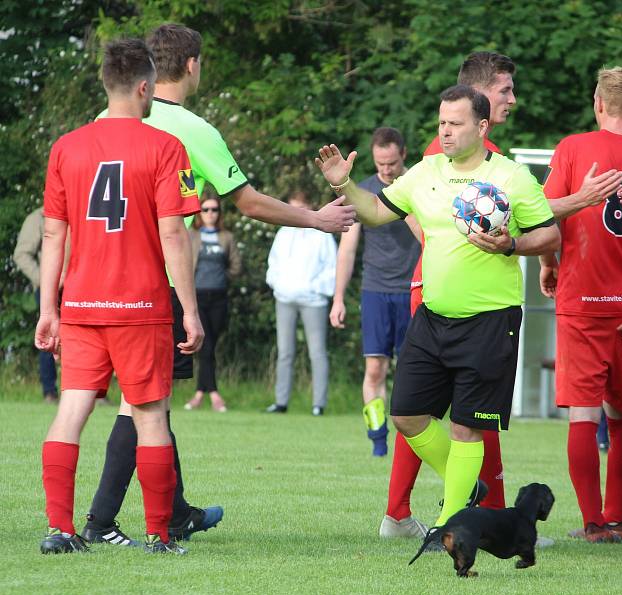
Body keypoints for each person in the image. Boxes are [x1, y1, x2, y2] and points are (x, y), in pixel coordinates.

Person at [81, 23, 355, 547]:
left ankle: (175, 511)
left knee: (143, 401)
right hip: (154, 280)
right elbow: (246, 201)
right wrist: (316, 220)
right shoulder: (194, 130)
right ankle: (100, 521)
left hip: (99, 274)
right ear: (192, 66)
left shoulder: (107, 116)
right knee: (143, 406)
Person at [315, 84, 560, 555]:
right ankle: (468, 488)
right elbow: (372, 212)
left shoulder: (511, 177)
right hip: (432, 315)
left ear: (482, 127)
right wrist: (341, 183)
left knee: (468, 427)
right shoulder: (425, 172)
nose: (445, 131)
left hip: (490, 319)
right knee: (405, 414)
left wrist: (511, 244)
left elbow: (549, 235)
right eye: (441, 123)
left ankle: (452, 525)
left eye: (456, 123)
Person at [37, 38, 202, 554]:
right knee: (150, 415)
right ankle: (158, 535)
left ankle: (60, 530)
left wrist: (48, 309)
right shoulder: (164, 147)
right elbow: (174, 234)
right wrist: (190, 311)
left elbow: (52, 235)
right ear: (145, 86)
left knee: (71, 410)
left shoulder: (66, 147)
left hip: (81, 304)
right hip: (142, 306)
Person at [382, 53, 518, 541]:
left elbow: (524, 218)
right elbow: (416, 216)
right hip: (442, 294)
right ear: (480, 94)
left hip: (454, 291)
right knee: (440, 413)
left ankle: (407, 511)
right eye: (504, 88)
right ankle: (467, 507)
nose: (512, 98)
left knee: (458, 415)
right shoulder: (448, 149)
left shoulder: (493, 157)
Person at [541, 66, 622, 544]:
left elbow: (546, 218)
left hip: (582, 299)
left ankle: (592, 523)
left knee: (584, 413)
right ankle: (619, 517)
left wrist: (549, 264)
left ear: (599, 104)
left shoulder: (572, 148)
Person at [327, 127, 420, 458]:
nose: (386, 170)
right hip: (375, 291)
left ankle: (414, 439)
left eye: (392, 163)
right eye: (381, 164)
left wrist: (402, 198)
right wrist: (338, 298)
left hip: (413, 290)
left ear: (403, 156)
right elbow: (347, 250)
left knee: (413, 371)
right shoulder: (363, 190)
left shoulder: (419, 186)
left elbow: (429, 238)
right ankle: (378, 440)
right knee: (375, 370)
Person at [266, 190, 337, 415]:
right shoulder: (283, 232)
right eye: (293, 207)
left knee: (317, 352)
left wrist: (314, 288)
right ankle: (281, 401)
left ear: (310, 206)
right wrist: (278, 285)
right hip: (285, 298)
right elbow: (273, 263)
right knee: (285, 351)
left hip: (313, 300)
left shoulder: (322, 234)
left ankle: (318, 404)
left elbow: (332, 267)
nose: (297, 212)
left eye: (301, 207)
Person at [184, 189, 241, 413]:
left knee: (211, 346)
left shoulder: (227, 237)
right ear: (199, 212)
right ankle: (213, 395)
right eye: (205, 209)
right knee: (205, 346)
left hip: (219, 297)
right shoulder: (191, 235)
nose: (210, 213)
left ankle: (199, 393)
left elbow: (236, 266)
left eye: (214, 209)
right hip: (197, 296)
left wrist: (222, 277)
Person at [14, 206, 59, 403]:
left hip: (78, 285)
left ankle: (94, 393)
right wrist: (43, 279)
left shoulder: (79, 212)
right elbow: (22, 254)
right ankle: (49, 392)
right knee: (48, 338)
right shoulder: (37, 219)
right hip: (50, 288)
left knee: (89, 338)